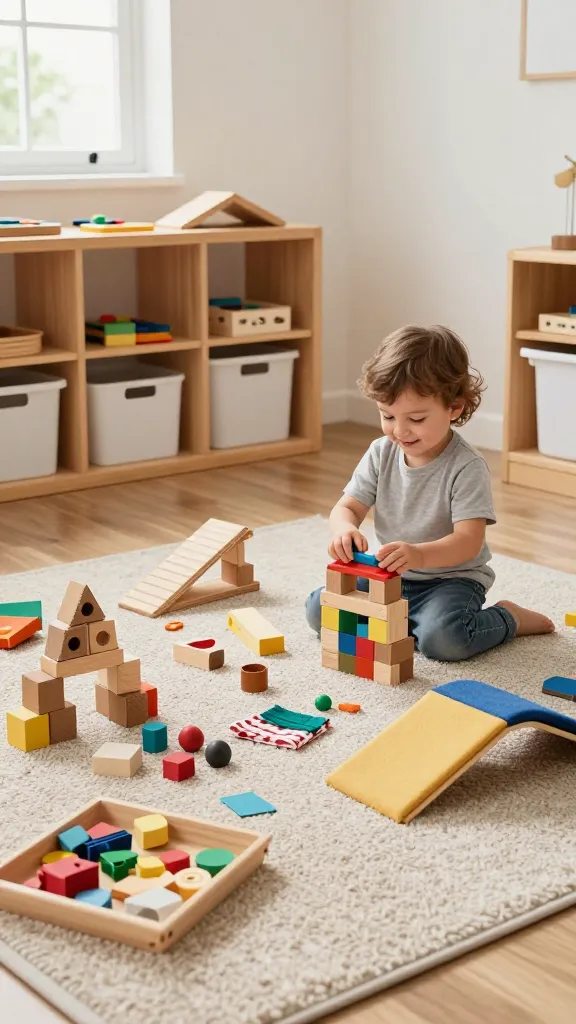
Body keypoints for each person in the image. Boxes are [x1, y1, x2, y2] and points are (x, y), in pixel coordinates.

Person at [305, 324, 554, 661]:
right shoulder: (381, 452)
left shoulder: (466, 466)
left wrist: (420, 556)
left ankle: (509, 617)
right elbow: (346, 507)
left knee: (444, 641)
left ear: (454, 407)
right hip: (390, 574)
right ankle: (404, 623)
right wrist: (344, 529)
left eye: (417, 418)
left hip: (451, 581)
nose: (400, 430)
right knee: (320, 611)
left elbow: (468, 541)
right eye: (387, 415)